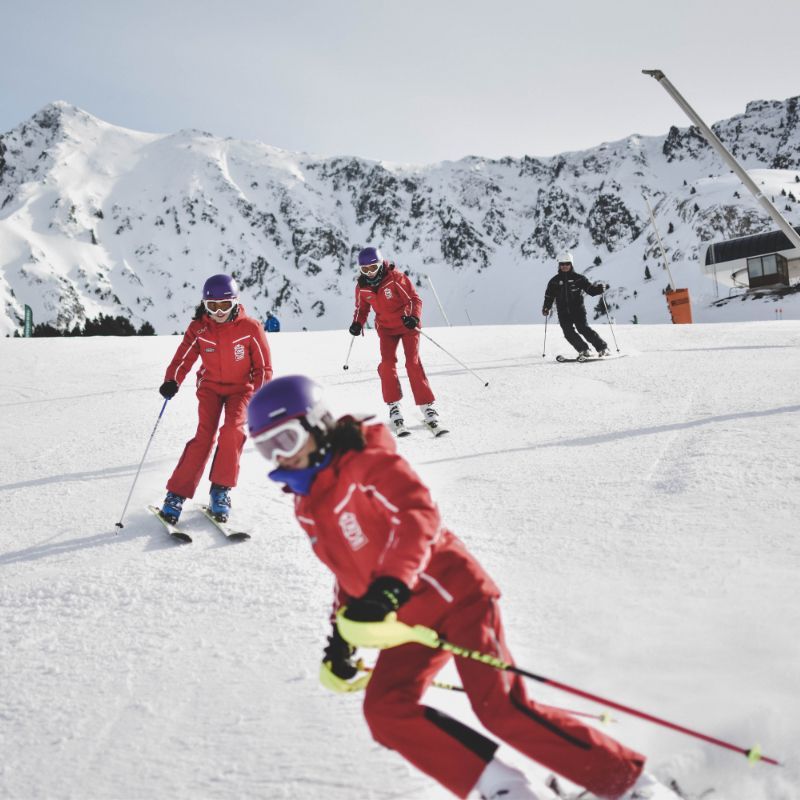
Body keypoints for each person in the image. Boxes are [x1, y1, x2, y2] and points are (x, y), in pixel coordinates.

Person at [245, 375, 679, 800]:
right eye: (267, 449)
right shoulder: (308, 503)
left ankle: (631, 785)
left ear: (317, 425)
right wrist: (341, 635)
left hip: (458, 597)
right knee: (385, 710)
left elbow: (417, 518)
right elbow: (347, 571)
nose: (279, 458)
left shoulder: (368, 463)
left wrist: (392, 587)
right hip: (410, 624)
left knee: (502, 708)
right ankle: (507, 788)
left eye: (284, 441)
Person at [157, 274, 272, 524]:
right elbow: (183, 357)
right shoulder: (199, 328)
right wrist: (172, 379)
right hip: (209, 387)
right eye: (212, 306)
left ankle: (220, 490)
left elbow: (263, 368)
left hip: (241, 389)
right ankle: (176, 494)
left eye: (224, 305)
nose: (218, 312)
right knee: (204, 436)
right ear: (204, 305)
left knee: (232, 431)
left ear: (235, 302)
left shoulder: (250, 329)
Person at [348, 246, 443, 436]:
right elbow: (362, 308)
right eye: (365, 270)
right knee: (387, 364)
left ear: (380, 264)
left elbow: (414, 300)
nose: (369, 273)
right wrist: (357, 323)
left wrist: (413, 317)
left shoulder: (395, 278)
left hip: (407, 325)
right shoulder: (362, 286)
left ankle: (426, 406)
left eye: (372, 268)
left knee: (412, 363)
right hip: (385, 328)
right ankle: (393, 404)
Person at [542, 252, 610, 360]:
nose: (564, 266)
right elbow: (549, 296)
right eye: (562, 264)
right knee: (568, 333)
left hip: (578, 310)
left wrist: (598, 289)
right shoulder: (554, 281)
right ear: (559, 265)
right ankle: (584, 350)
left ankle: (603, 348)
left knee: (583, 329)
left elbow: (590, 290)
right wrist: (546, 307)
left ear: (571, 264)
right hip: (563, 312)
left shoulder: (579, 278)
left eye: (567, 264)